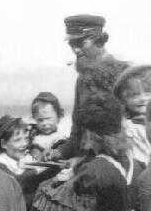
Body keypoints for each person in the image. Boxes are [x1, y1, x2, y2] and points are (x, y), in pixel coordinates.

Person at [51, 15, 128, 160]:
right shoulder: (82, 80)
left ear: (99, 40)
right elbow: (77, 135)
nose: (76, 50)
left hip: (118, 158)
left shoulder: (124, 75)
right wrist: (58, 153)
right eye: (71, 44)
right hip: (86, 160)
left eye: (81, 43)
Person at [113, 64, 151, 164]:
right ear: (124, 99)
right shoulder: (129, 129)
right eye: (135, 95)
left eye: (148, 92)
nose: (143, 98)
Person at [28, 92, 68, 160]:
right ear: (34, 119)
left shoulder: (60, 138)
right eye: (40, 120)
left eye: (48, 119)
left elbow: (62, 151)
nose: (44, 123)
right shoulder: (33, 135)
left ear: (59, 116)